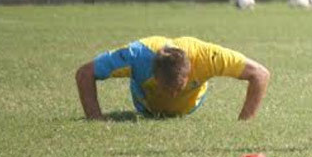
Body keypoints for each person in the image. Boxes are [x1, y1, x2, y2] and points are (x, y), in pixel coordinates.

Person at [75, 36, 270, 120]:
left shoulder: (207, 57)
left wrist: (244, 124)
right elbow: (84, 73)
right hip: (146, 109)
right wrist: (96, 119)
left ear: (190, 71)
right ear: (154, 73)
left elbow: (260, 74)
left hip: (190, 107)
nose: (173, 95)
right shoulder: (136, 56)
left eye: (179, 88)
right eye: (166, 89)